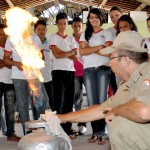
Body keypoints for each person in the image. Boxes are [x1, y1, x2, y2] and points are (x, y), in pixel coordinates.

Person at [58, 31, 150, 150]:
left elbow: (145, 111)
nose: (109, 62)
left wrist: (116, 111)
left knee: (119, 124)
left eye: (111, 58)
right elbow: (101, 110)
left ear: (126, 60)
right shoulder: (128, 84)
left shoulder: (147, 74)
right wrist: (61, 118)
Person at [3, 7, 48, 135]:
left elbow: (42, 57)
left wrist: (35, 56)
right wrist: (16, 63)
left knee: (42, 101)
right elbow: (6, 59)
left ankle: (40, 129)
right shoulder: (11, 38)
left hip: (34, 75)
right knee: (23, 106)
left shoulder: (35, 39)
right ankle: (28, 133)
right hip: (18, 77)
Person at [79, 8, 113, 144]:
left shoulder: (107, 33)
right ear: (88, 20)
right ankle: (95, 132)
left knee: (102, 100)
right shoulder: (84, 34)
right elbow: (82, 52)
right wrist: (99, 47)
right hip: (88, 70)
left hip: (103, 69)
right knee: (92, 103)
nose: (94, 19)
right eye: (91, 17)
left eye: (96, 17)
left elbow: (108, 52)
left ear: (101, 18)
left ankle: (101, 132)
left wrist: (91, 49)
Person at [49, 12, 78, 139]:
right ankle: (56, 128)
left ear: (67, 24)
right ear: (56, 24)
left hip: (70, 71)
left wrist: (64, 52)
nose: (62, 26)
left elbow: (76, 57)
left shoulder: (71, 39)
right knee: (58, 100)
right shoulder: (53, 38)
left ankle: (67, 128)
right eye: (60, 24)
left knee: (69, 100)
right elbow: (56, 55)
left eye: (64, 24)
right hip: (57, 71)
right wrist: (69, 52)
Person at [0, 24, 20, 141]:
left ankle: (10, 134)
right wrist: (9, 62)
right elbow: (11, 63)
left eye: (4, 34)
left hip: (10, 81)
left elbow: (14, 63)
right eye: (0, 34)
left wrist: (6, 62)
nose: (2, 37)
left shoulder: (12, 48)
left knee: (10, 109)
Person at [71, 17, 87, 135]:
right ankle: (81, 124)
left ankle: (98, 125)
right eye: (75, 26)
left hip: (88, 71)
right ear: (72, 27)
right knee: (78, 99)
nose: (77, 28)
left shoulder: (86, 38)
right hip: (75, 73)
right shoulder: (69, 39)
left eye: (79, 26)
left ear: (82, 27)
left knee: (92, 99)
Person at [34, 19, 53, 110]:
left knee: (51, 101)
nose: (41, 32)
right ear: (35, 30)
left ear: (46, 30)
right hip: (36, 79)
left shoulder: (50, 43)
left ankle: (54, 122)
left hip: (48, 78)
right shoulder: (31, 44)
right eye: (39, 29)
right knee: (39, 103)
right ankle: (38, 122)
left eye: (43, 29)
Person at [107, 6, 124, 95]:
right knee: (117, 94)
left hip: (129, 67)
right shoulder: (108, 31)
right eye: (112, 17)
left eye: (117, 15)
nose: (114, 18)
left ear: (122, 15)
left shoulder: (130, 30)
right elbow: (109, 50)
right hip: (114, 68)